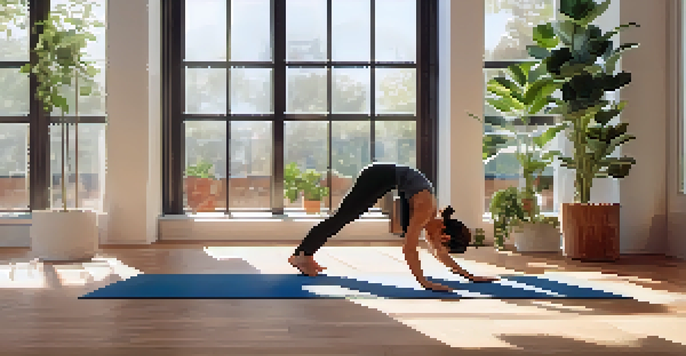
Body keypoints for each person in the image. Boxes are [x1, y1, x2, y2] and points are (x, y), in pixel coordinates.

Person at [288, 162, 498, 292]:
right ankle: (302, 255)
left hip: (383, 178)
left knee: (342, 219)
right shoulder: (425, 211)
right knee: (341, 218)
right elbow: (409, 249)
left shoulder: (434, 221)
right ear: (444, 235)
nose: (437, 247)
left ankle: (303, 254)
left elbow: (439, 253)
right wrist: (425, 283)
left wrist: (469, 276)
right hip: (379, 176)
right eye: (443, 244)